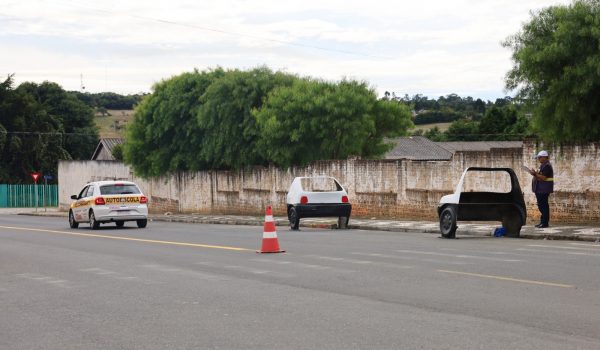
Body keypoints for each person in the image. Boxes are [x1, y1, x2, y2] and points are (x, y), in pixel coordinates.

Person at [527, 150, 554, 228]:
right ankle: (543, 222)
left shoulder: (547, 166)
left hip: (543, 189)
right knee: (542, 205)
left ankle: (544, 223)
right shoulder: (543, 165)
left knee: (543, 206)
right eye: (538, 158)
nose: (539, 159)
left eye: (540, 157)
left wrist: (535, 174)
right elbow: (539, 175)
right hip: (540, 189)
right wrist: (534, 173)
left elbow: (543, 178)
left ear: (545, 157)